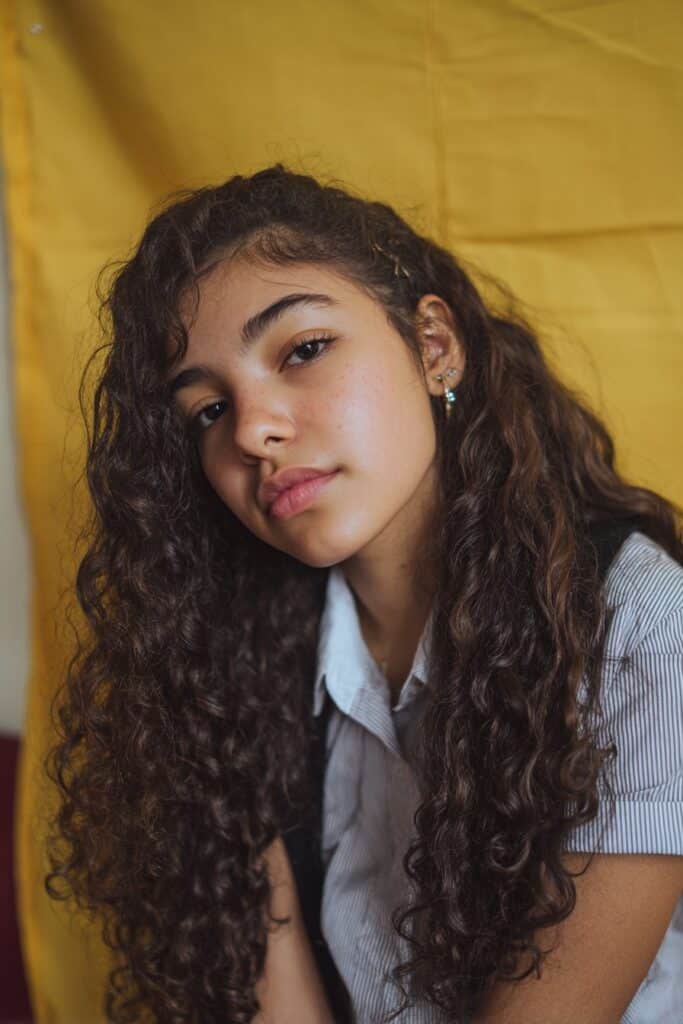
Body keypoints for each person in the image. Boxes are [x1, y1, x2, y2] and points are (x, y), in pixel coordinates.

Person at [43, 163, 683, 1024]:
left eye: (302, 350)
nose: (254, 431)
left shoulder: (641, 625)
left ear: (433, 346)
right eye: (205, 411)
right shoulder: (233, 678)